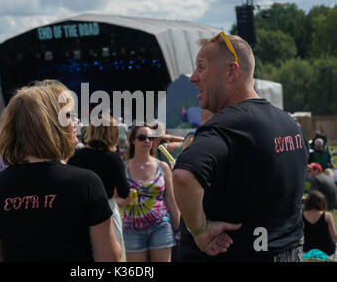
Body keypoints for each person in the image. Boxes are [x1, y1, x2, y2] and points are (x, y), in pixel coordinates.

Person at [172, 31, 308, 262]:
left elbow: (184, 176)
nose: (193, 77)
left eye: (202, 67)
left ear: (231, 71)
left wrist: (200, 231)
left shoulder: (226, 127)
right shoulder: (291, 124)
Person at [0, 80, 121, 262]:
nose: (76, 121)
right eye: (68, 115)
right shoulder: (86, 183)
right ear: (50, 125)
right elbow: (109, 257)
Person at [68, 114, 130, 261]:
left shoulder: (77, 156)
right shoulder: (113, 158)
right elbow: (124, 191)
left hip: (79, 209)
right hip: (106, 207)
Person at [120, 124, 180, 262]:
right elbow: (114, 198)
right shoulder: (124, 167)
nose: (147, 141)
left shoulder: (162, 167)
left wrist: (178, 229)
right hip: (132, 227)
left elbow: (170, 199)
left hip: (160, 225)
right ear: (133, 141)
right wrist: (124, 201)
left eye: (150, 138)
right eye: (142, 137)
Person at [302, 190, 337, 256]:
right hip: (327, 250)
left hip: (308, 249)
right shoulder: (327, 216)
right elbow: (334, 236)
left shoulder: (302, 216)